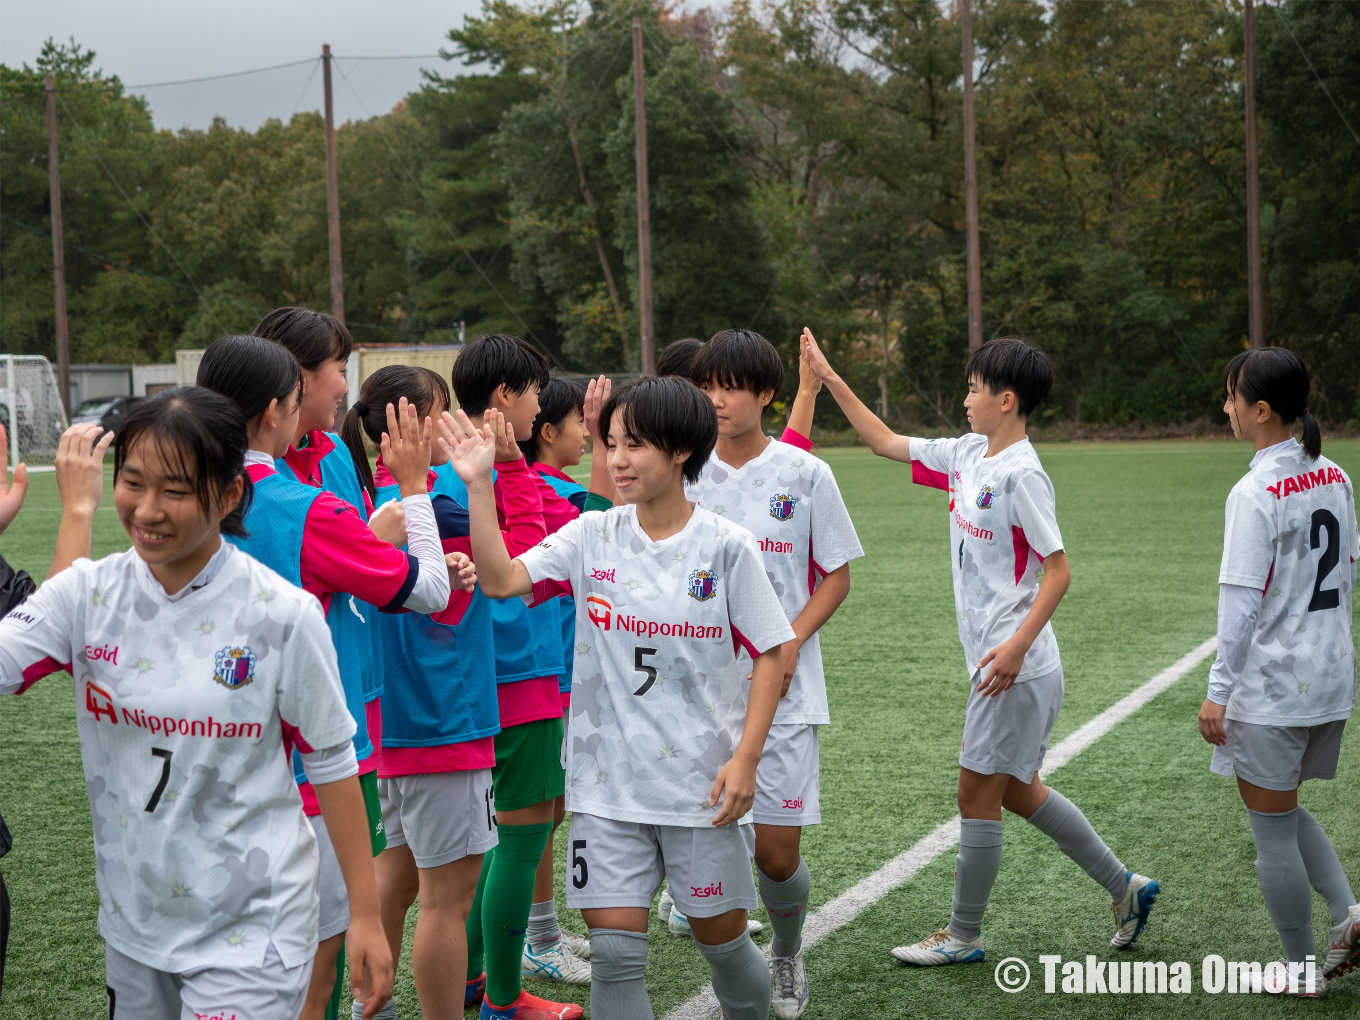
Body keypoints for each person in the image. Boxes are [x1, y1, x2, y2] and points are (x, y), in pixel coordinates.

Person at [0, 388, 394, 1018]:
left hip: (254, 924)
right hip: (135, 921)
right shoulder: (86, 596)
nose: (148, 510)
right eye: (133, 482)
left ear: (230, 494)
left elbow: (332, 761)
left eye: (176, 490)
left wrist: (365, 916)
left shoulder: (282, 614)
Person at [802, 330, 1161, 965]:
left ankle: (963, 935)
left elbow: (1059, 570)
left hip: (1012, 667)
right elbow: (886, 442)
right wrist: (829, 379)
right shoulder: (969, 453)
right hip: (1000, 663)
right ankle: (1125, 887)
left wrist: (1018, 646)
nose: (965, 398)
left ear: (1007, 400)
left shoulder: (1025, 475)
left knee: (976, 795)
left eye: (974, 388)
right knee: (1019, 791)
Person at [448, 375, 796, 1020]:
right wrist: (478, 485)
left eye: (635, 445)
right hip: (606, 787)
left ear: (682, 450)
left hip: (701, 791)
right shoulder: (592, 535)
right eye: (611, 443)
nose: (618, 460)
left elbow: (774, 652)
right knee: (614, 953)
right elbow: (499, 580)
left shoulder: (726, 546)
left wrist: (746, 759)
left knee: (719, 943)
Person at [196, 336, 460, 1018]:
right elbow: (428, 590)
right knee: (315, 971)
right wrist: (412, 492)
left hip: (205, 755)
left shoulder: (178, 499)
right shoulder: (302, 505)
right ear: (276, 411)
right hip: (312, 768)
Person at [680, 329, 862, 1019]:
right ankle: (738, 971)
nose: (717, 400)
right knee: (711, 848)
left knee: (777, 856)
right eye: (707, 386)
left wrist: (786, 643)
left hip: (786, 690)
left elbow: (836, 576)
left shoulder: (805, 473)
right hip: (702, 694)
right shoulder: (685, 470)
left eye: (731, 386)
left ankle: (786, 951)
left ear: (766, 394)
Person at [1198, 347, 1358, 996]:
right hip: (1332, 679)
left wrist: (1216, 693)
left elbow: (1240, 603)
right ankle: (1349, 915)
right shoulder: (1337, 475)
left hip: (1272, 690)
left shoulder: (1254, 490)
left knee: (1270, 830)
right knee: (1284, 812)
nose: (1226, 408)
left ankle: (1299, 973)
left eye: (1232, 397)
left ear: (1261, 410)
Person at [450, 333, 584, 1020]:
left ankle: (472, 978)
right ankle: (505, 999)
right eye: (534, 390)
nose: (540, 404)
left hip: (466, 687)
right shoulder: (486, 477)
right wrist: (515, 475)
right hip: (520, 675)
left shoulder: (446, 471)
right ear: (505, 396)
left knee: (485, 845)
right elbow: (535, 565)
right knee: (520, 839)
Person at [513, 376, 619, 987]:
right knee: (536, 812)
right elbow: (606, 515)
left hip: (558, 669)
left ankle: (543, 927)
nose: (588, 434)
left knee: (550, 806)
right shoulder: (550, 493)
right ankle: (539, 933)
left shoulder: (554, 488)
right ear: (548, 431)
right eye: (583, 424)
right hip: (544, 669)